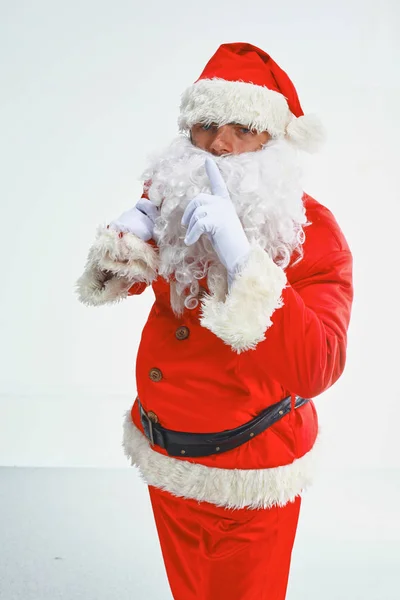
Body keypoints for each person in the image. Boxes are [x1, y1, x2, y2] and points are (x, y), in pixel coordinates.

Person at [76, 42, 353, 600]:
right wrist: (121, 243)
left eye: (242, 127)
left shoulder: (310, 233)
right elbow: (112, 284)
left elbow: (317, 367)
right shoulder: (175, 204)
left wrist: (242, 260)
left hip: (250, 478)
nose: (219, 144)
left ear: (275, 142)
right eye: (205, 124)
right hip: (166, 463)